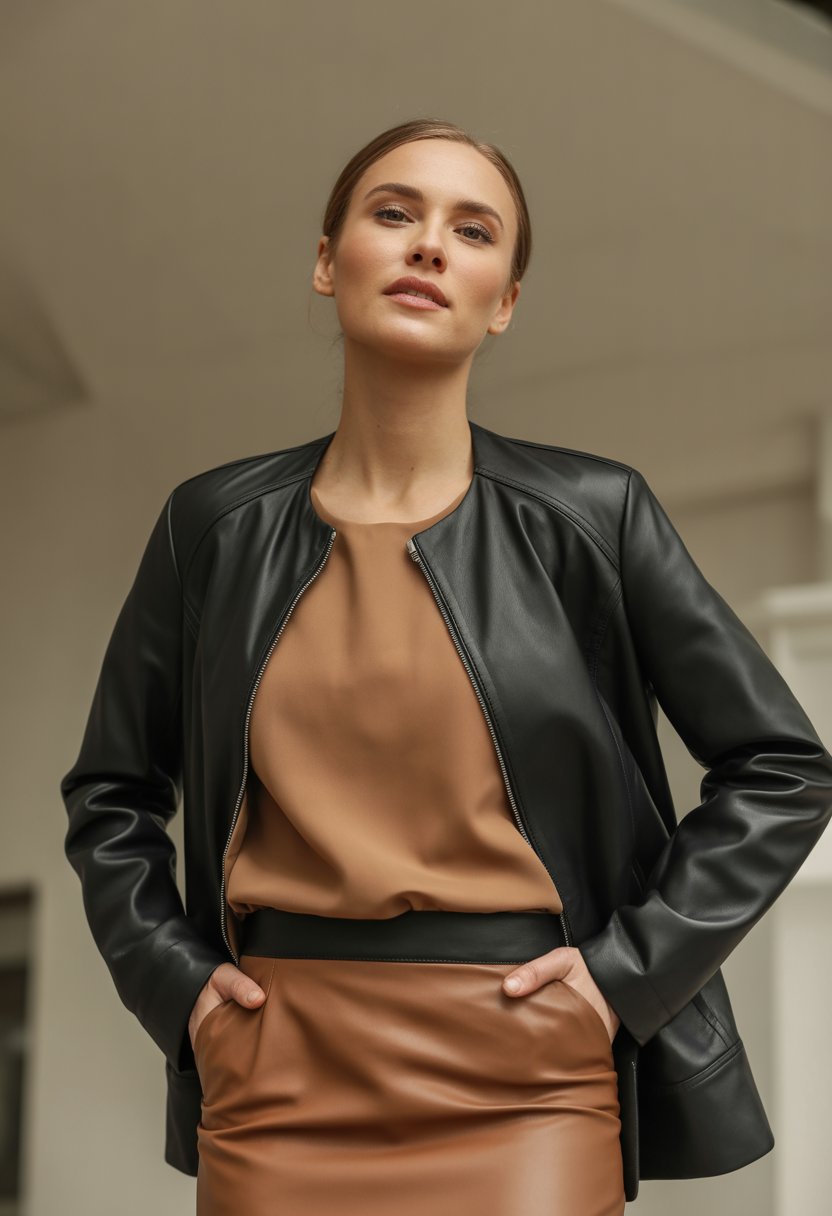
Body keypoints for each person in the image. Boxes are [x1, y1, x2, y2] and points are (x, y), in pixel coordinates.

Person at [60, 117, 832, 1215]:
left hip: (529, 1068)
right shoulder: (211, 528)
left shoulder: (593, 516)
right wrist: (177, 993)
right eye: (394, 213)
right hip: (275, 1065)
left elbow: (782, 767)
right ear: (326, 261)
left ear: (502, 300)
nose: (429, 243)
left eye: (473, 231)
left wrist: (621, 979)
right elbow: (112, 793)